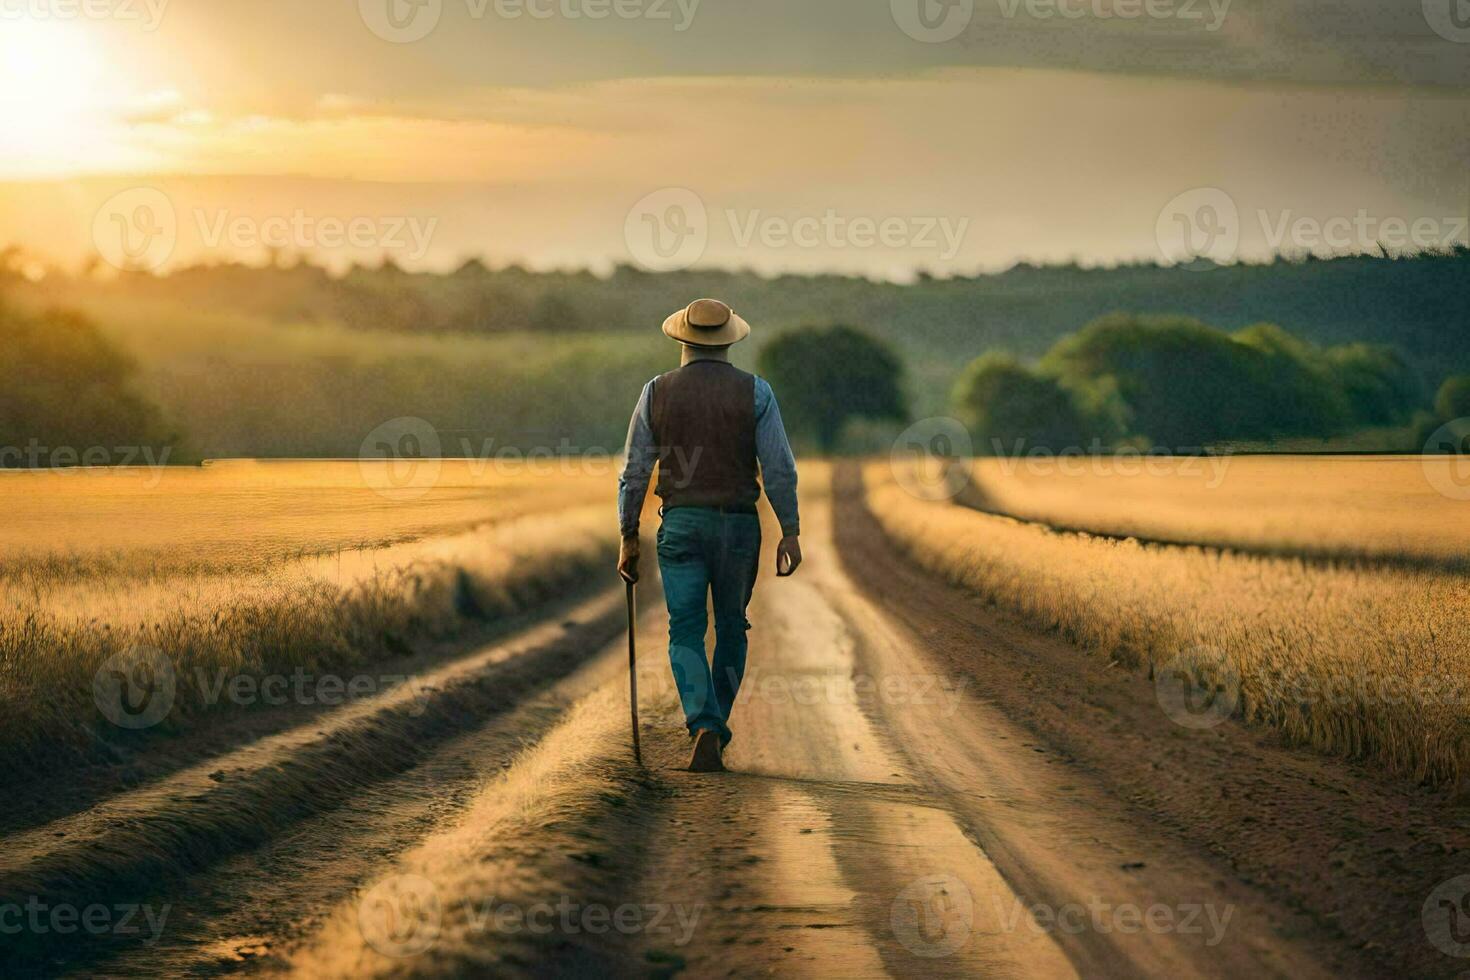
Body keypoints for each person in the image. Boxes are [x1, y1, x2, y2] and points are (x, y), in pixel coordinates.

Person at [616, 299, 802, 773]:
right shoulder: (756, 392)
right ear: (731, 341)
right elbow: (779, 468)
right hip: (739, 524)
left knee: (685, 629)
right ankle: (713, 726)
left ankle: (703, 721)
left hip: (680, 523)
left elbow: (635, 470)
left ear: (681, 339)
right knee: (733, 626)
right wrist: (790, 530)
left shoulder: (656, 392)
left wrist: (628, 533)